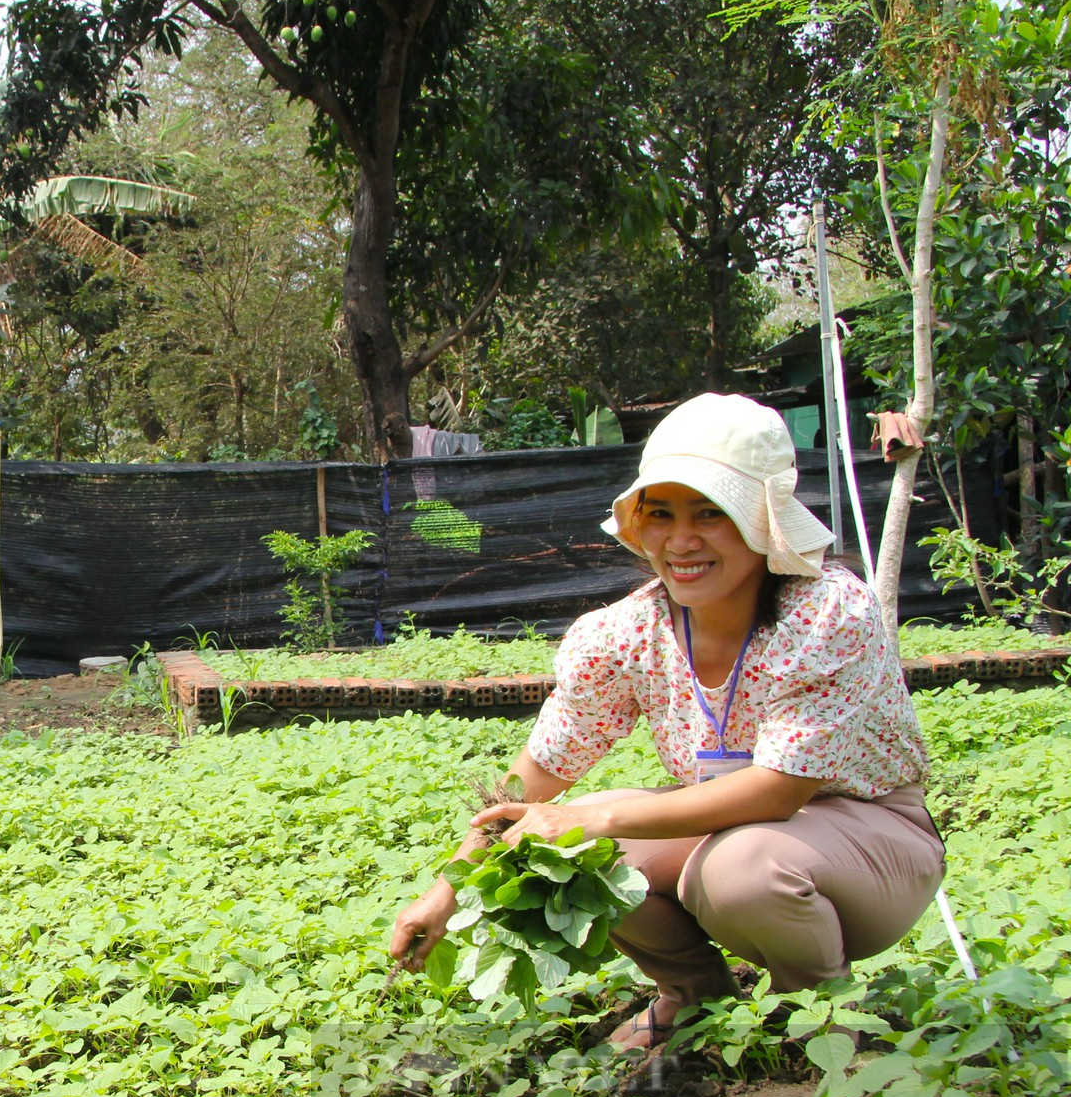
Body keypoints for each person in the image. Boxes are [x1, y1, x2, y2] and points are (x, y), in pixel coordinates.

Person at [388, 393, 943, 1058]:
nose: (681, 541)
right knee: (564, 850)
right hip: (733, 831)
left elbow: (779, 793)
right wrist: (445, 891)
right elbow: (533, 779)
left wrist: (598, 819)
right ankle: (695, 996)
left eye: (712, 512)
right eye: (661, 513)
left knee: (738, 868)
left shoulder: (823, 613)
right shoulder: (627, 633)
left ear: (764, 520)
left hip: (870, 835)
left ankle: (817, 1016)